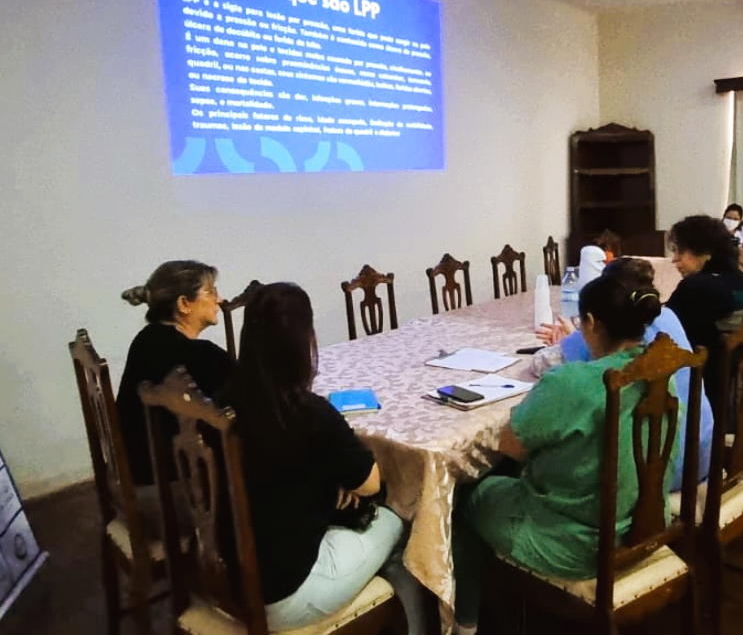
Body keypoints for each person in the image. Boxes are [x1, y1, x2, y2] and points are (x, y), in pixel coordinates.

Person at [452, 273, 674, 635]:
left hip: (576, 546)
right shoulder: (664, 365)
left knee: (462, 497)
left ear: (589, 323)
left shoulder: (572, 382)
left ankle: (467, 622)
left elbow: (510, 445)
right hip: (646, 521)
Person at [219, 283, 425, 634]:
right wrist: (341, 481)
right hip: (287, 593)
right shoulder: (308, 413)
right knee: (404, 521)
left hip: (228, 573)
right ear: (305, 341)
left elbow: (276, 471)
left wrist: (327, 484)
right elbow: (371, 483)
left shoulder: (223, 398)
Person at [534, 257, 713, 489]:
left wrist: (573, 337)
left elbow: (541, 363)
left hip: (652, 476)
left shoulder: (606, 327)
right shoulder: (668, 317)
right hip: (699, 457)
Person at [117, 260, 234, 488]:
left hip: (139, 466)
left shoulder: (145, 339)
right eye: (211, 293)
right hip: (177, 477)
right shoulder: (200, 355)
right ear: (184, 304)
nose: (219, 301)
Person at [665, 215, 743, 403]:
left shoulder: (698, 286)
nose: (674, 260)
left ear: (705, 251)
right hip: (737, 392)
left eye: (679, 252)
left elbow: (664, 334)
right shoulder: (740, 280)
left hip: (704, 394)